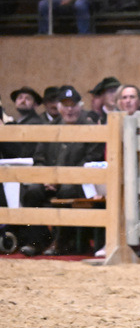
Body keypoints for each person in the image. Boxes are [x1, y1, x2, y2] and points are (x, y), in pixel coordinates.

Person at [18, 86, 105, 257]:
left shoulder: (90, 128)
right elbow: (39, 158)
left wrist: (64, 178)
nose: (69, 109)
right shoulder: (50, 128)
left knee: (66, 192)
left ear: (80, 106)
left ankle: (63, 241)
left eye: (73, 105)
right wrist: (46, 178)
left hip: (79, 183)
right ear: (58, 107)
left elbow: (90, 160)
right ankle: (38, 240)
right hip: (49, 181)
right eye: (65, 105)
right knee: (32, 193)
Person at [1, 87, 45, 160]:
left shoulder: (36, 123)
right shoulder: (18, 122)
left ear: (35, 105)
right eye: (20, 98)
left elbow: (22, 152)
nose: (23, 100)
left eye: (28, 99)